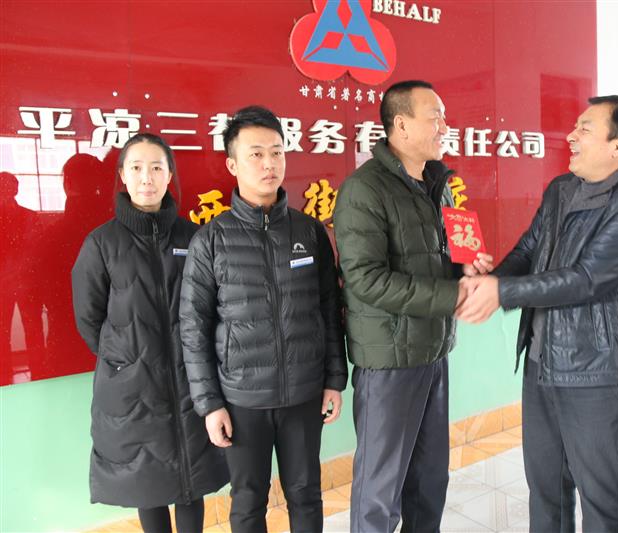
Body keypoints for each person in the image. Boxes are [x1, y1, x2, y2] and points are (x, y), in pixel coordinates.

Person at [458, 96, 618, 532]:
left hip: (594, 371)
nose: (571, 136)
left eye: (585, 129)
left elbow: (586, 279)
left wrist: (501, 292)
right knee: (545, 487)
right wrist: (491, 278)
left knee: (600, 494)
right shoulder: (561, 189)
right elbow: (529, 250)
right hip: (541, 363)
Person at [333, 79, 491, 533]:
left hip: (433, 351)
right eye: (435, 116)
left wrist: (468, 267)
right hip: (389, 362)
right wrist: (453, 296)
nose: (445, 126)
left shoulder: (437, 183)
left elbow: (448, 254)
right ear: (400, 125)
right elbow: (365, 279)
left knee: (429, 479)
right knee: (380, 491)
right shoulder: (364, 189)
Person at [180, 105, 347, 533]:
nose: (269, 163)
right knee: (248, 501)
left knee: (306, 494)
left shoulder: (309, 232)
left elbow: (329, 309)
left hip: (304, 392)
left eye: (276, 152)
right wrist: (210, 404)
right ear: (233, 164)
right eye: (256, 154)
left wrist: (334, 379)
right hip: (242, 399)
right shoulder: (211, 240)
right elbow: (193, 328)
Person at [71, 133, 228, 533]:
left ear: (169, 175)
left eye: (157, 167)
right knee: (149, 484)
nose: (147, 177)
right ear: (123, 175)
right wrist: (126, 359)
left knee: (191, 481)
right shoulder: (101, 244)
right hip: (134, 387)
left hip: (189, 379)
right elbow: (89, 319)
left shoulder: (192, 237)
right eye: (137, 167)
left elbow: (212, 306)